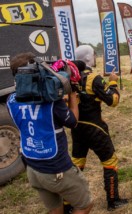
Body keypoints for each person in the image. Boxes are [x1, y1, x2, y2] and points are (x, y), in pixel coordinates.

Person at [7, 52, 93, 214]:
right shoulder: (52, 102)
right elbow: (73, 122)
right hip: (56, 169)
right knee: (84, 205)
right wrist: (72, 95)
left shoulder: (11, 100)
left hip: (33, 169)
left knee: (55, 209)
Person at [70, 45, 128, 211]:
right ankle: (113, 200)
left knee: (77, 164)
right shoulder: (93, 78)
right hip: (95, 128)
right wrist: (113, 82)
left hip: (77, 127)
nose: (96, 57)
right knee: (110, 162)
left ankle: (67, 203)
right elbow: (113, 101)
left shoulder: (71, 78)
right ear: (88, 57)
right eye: (94, 54)